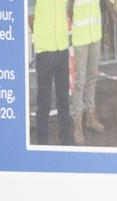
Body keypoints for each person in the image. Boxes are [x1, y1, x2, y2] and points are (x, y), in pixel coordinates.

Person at [30, 0, 75, 145]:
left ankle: (66, 138)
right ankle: (42, 142)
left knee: (63, 97)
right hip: (44, 51)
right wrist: (40, 35)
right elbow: (30, 14)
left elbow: (68, 7)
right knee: (44, 101)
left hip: (62, 48)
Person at [69, 0, 106, 140]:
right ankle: (77, 123)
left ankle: (90, 116)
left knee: (92, 78)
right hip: (81, 39)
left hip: (95, 35)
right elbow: (69, 8)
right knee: (80, 82)